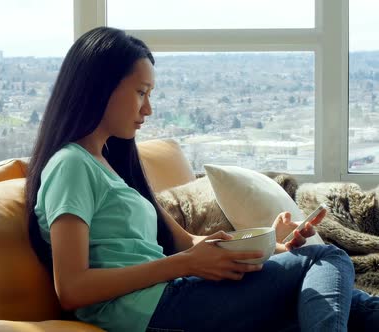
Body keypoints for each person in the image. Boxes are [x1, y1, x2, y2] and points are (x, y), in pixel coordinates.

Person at [25, 26, 379, 332]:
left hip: (173, 292)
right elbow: (71, 288)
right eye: (140, 92)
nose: (148, 108)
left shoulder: (112, 166)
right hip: (147, 311)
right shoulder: (71, 165)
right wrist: (183, 266)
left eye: (150, 95)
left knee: (356, 302)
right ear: (99, 88)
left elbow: (188, 244)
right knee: (327, 258)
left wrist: (269, 245)